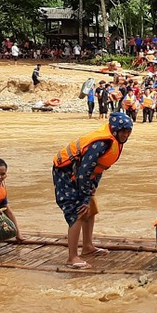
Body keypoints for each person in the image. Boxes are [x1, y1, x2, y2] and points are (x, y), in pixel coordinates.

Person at [53, 112, 133, 268]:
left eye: (128, 131)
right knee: (78, 211)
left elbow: (98, 168)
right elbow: (83, 172)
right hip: (67, 173)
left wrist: (93, 188)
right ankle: (72, 257)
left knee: (91, 208)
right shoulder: (100, 144)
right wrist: (84, 197)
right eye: (123, 131)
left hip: (83, 175)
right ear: (115, 130)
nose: (125, 134)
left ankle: (88, 247)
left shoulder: (113, 142)